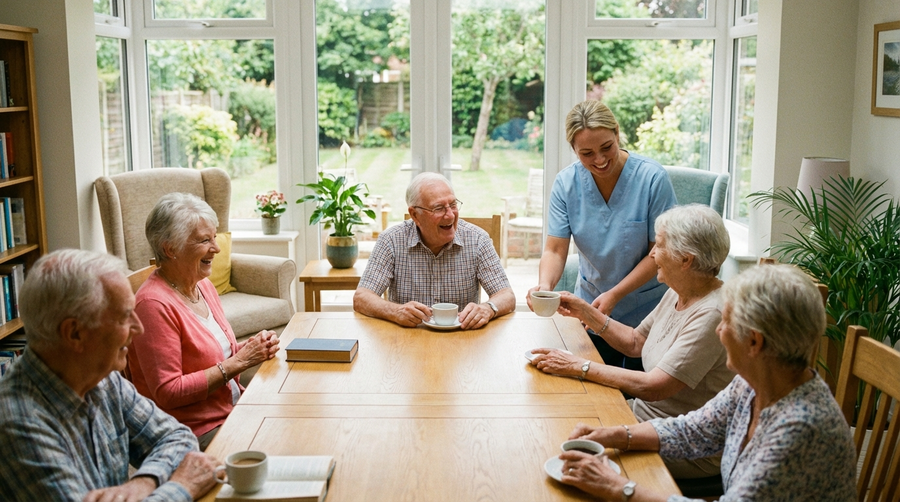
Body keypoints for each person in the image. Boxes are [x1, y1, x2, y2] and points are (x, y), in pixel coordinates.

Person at [555, 264, 856, 501]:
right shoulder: (754, 385)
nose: (719, 331)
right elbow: (694, 430)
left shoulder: (800, 429)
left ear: (754, 342)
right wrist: (611, 435)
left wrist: (619, 488)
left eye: (725, 322)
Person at [531, 204, 734, 479]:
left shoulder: (712, 313)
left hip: (685, 445)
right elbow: (636, 341)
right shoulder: (679, 291)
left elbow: (654, 387)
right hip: (643, 419)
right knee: (553, 421)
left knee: (560, 452)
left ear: (686, 259)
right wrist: (585, 310)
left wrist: (578, 366)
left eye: (659, 245)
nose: (652, 254)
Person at [0, 249, 221, 501]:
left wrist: (143, 483)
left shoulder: (102, 377)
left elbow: (177, 438)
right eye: (125, 316)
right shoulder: (19, 426)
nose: (138, 328)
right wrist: (183, 487)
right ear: (75, 334)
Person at [528, 100, 677, 370]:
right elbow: (555, 249)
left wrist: (615, 294)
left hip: (648, 313)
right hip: (590, 310)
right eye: (586, 153)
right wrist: (544, 288)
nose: (599, 160)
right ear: (574, 150)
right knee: (587, 393)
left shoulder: (652, 179)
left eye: (606, 147)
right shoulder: (566, 184)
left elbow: (660, 253)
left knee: (640, 398)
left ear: (617, 133)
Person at [128, 193, 280, 450]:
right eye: (204, 240)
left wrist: (252, 348)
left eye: (215, 237)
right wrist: (239, 362)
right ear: (170, 248)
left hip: (230, 409)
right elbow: (169, 391)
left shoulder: (203, 286)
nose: (217, 248)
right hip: (190, 432)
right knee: (288, 441)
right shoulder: (152, 305)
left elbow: (212, 357)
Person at [354, 172, 515, 329]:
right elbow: (362, 298)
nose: (450, 215)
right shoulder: (391, 240)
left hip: (464, 341)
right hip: (407, 341)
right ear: (415, 215)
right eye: (438, 208)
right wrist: (395, 311)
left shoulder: (478, 239)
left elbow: (506, 296)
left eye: (453, 205)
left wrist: (488, 308)